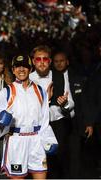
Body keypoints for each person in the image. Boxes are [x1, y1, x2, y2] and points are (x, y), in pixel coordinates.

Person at [0, 54, 58, 179]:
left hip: (36, 141)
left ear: (30, 68)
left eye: (25, 66)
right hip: (16, 141)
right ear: (13, 69)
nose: (21, 69)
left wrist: (49, 139)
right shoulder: (7, 91)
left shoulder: (40, 91)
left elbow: (44, 120)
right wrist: (0, 119)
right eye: (17, 66)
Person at [49, 50, 93, 178]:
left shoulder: (77, 77)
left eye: (61, 61)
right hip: (58, 123)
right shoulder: (50, 79)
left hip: (75, 122)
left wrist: (89, 123)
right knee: (60, 154)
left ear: (67, 62)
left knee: (75, 154)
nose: (59, 64)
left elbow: (84, 101)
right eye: (56, 61)